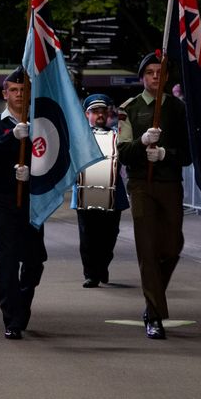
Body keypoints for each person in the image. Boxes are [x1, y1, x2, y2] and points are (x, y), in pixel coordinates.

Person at [117, 52, 191, 339]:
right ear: (141, 77)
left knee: (172, 247)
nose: (155, 76)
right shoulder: (129, 109)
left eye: (160, 72)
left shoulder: (178, 109)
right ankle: (155, 314)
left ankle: (152, 304)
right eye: (149, 72)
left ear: (167, 77)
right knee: (147, 249)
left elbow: (187, 154)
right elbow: (123, 152)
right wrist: (142, 142)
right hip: (141, 185)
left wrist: (165, 154)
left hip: (170, 183)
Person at [0, 67, 47, 340]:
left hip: (33, 199)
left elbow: (50, 157)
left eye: (23, 90)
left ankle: (22, 304)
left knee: (34, 260)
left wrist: (34, 173)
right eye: (14, 90)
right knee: (7, 260)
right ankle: (12, 319)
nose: (19, 94)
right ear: (5, 93)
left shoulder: (41, 125)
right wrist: (12, 136)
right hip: (3, 199)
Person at [71, 93, 128, 288]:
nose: (99, 115)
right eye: (95, 111)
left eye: (102, 111)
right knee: (88, 236)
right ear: (87, 114)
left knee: (109, 236)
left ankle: (102, 265)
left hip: (113, 195)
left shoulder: (117, 135)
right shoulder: (78, 137)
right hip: (85, 193)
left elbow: (127, 156)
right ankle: (91, 274)